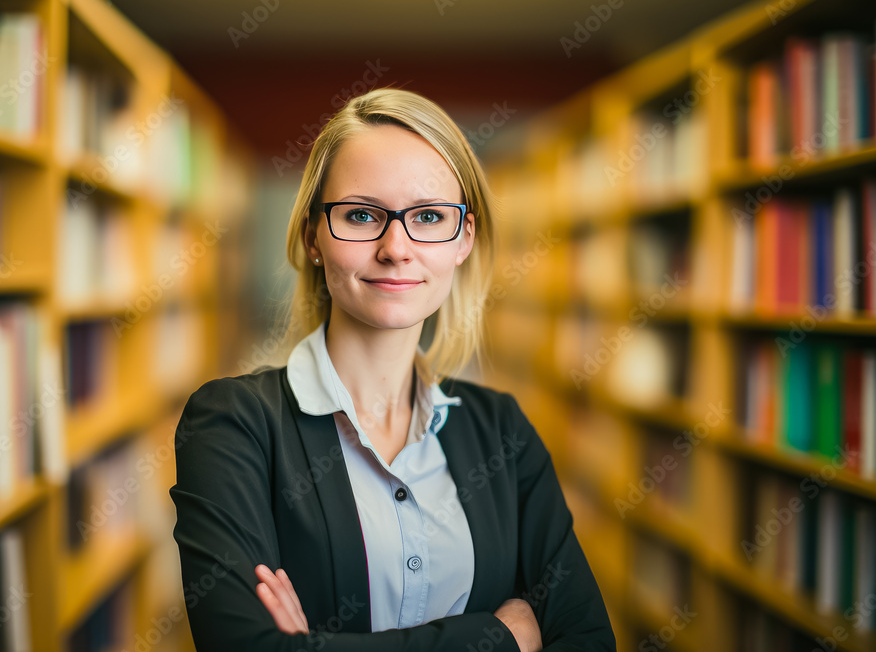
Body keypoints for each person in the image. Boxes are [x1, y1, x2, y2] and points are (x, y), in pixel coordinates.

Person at [169, 87, 616, 651]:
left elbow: (587, 639)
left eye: (429, 216)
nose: (396, 247)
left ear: (464, 239)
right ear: (313, 236)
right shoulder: (234, 425)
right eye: (360, 215)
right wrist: (499, 638)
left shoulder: (501, 429)